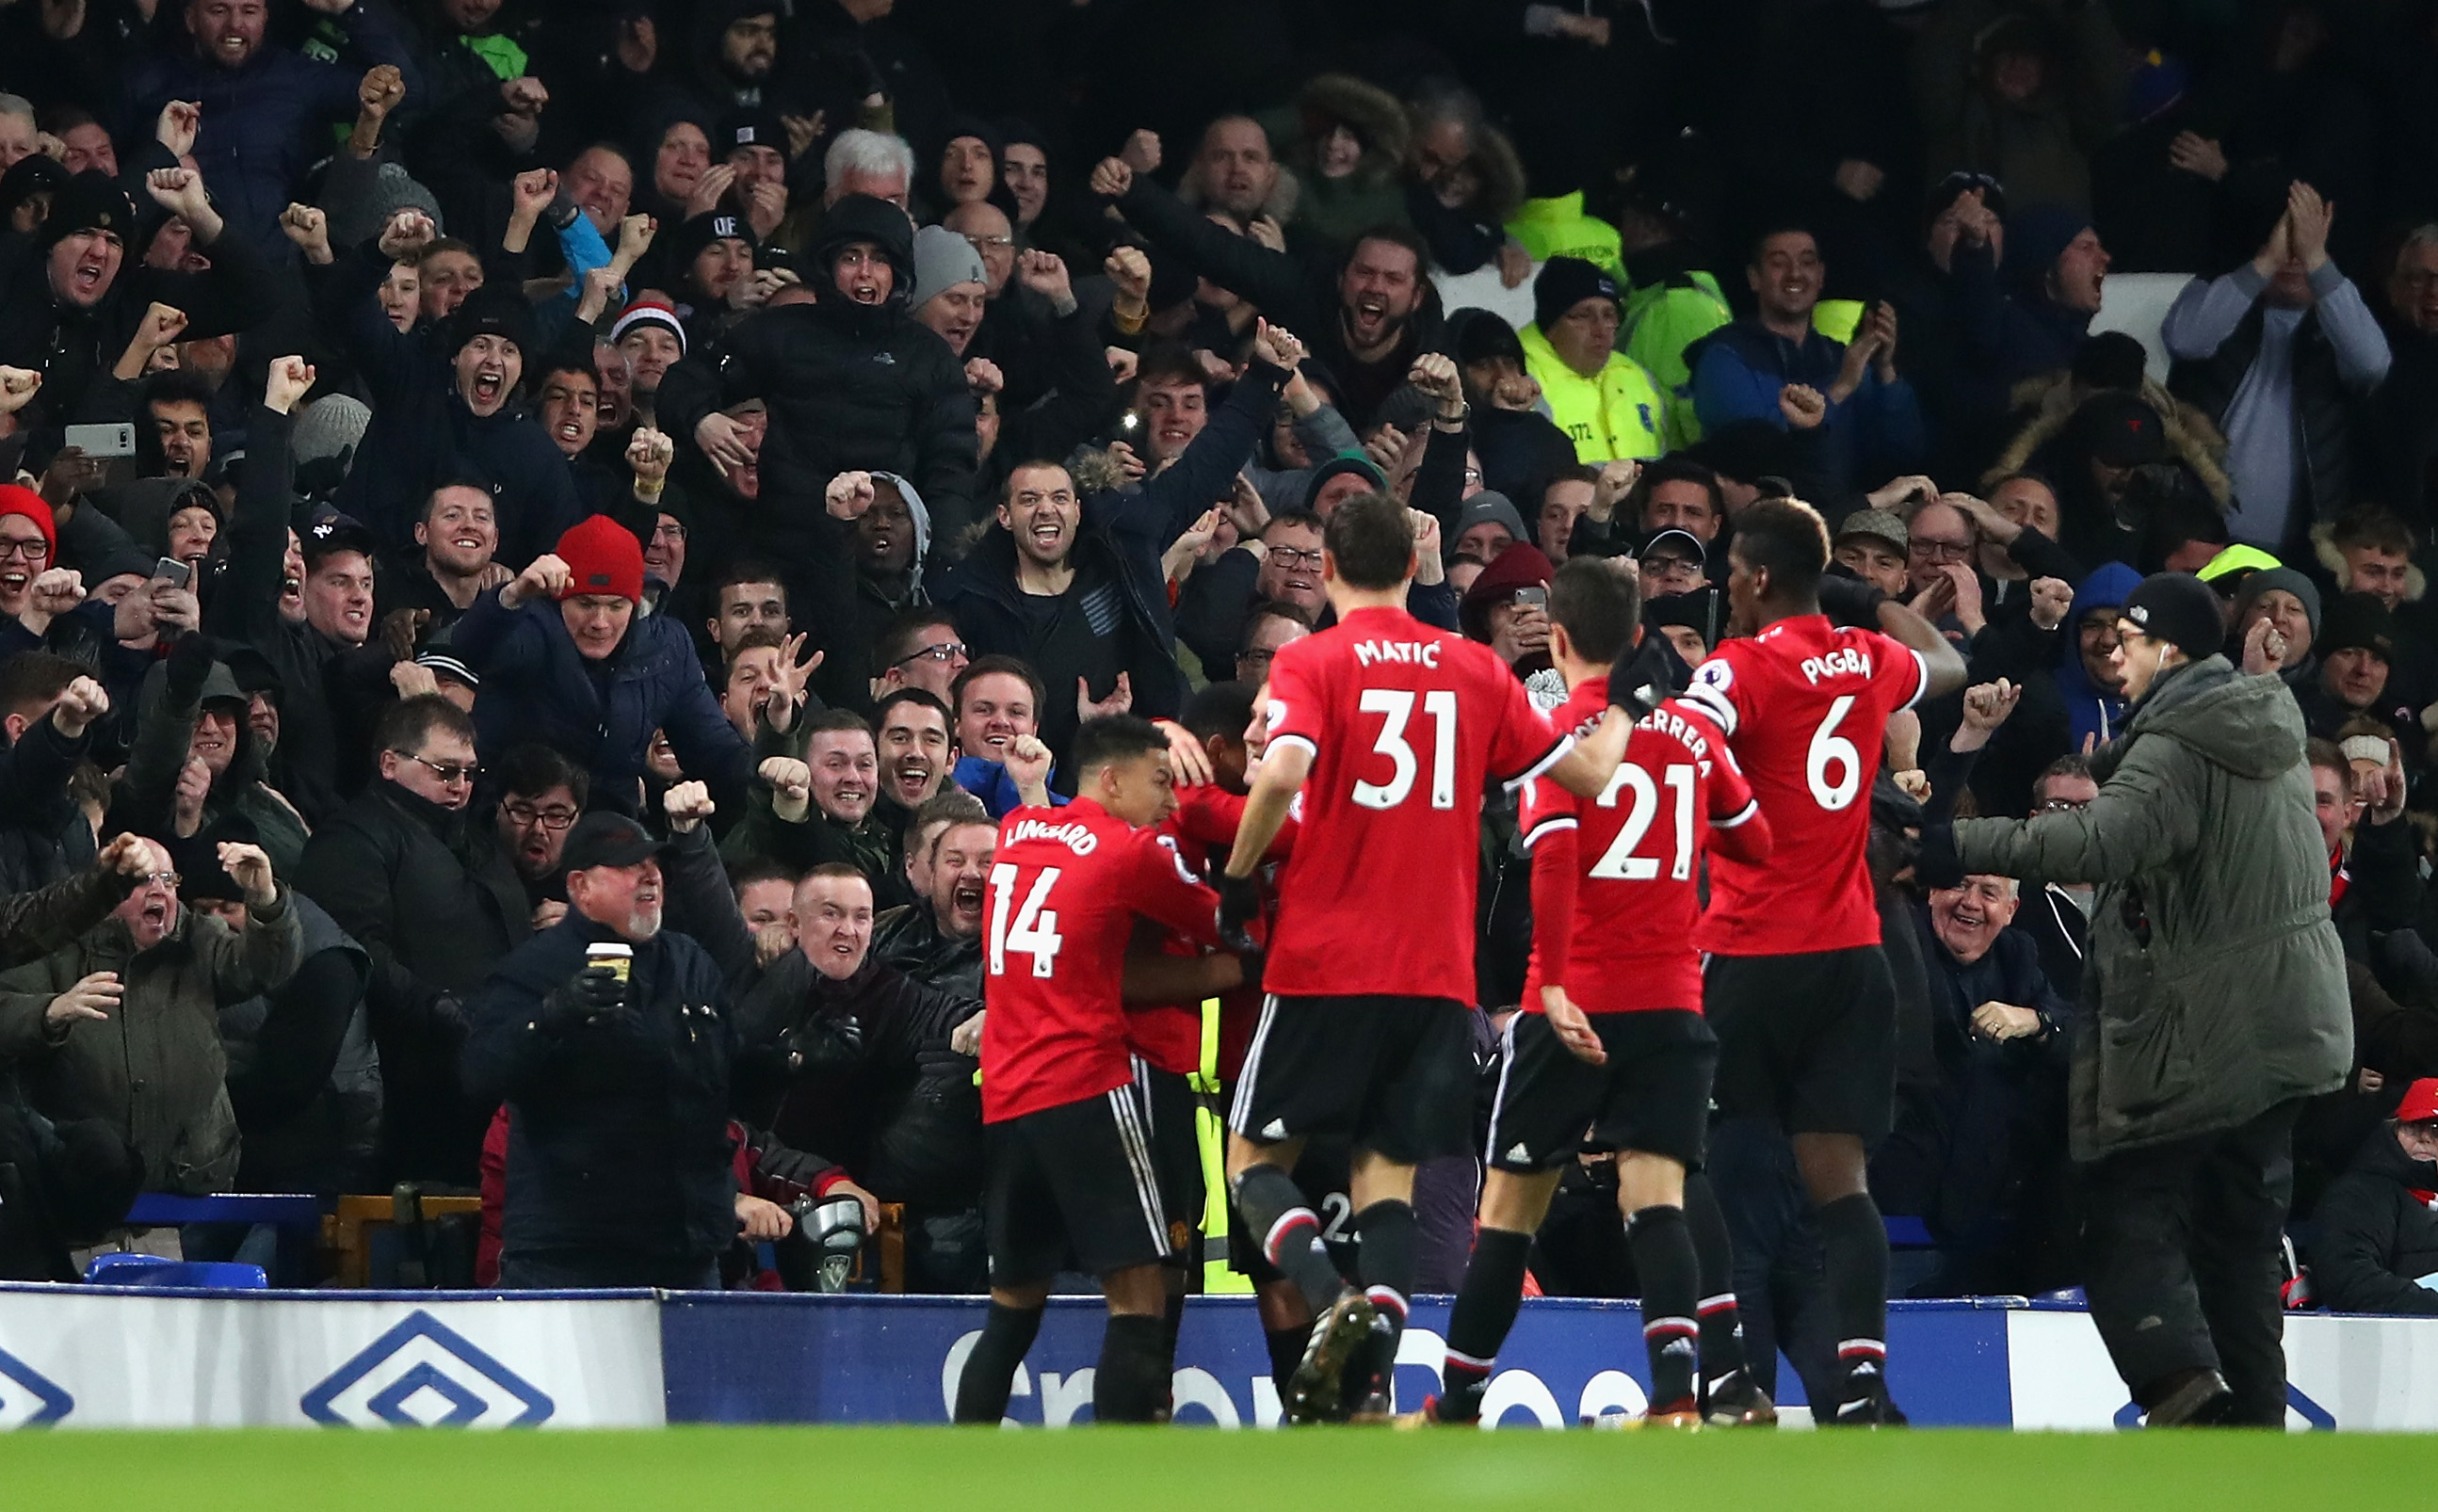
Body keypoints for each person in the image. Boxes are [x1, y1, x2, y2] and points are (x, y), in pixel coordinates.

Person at [1217, 492, 1636, 1423]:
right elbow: (1590, 776)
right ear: (1413, 569)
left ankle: (1335, 1300)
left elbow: (1281, 771)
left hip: (1329, 959)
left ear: (1327, 571)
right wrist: (1613, 693)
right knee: (1386, 1178)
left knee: (1252, 1160)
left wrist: (1239, 878)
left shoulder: (1312, 658)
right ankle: (1368, 1393)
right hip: (1439, 976)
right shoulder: (1474, 669)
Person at [1922, 571, 2349, 1426]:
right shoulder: (2251, 726)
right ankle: (2253, 1436)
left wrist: (1948, 842)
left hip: (2213, 1028)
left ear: (2171, 650)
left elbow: (2101, 837)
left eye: (2130, 641)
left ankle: (2182, 1395)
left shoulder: (2182, 742)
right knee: (2236, 1243)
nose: (2115, 658)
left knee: (2120, 1209)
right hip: (2292, 1031)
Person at [1415, 558, 1777, 1428]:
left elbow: (1552, 851)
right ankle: (1678, 1400)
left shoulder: (1558, 735)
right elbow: (1756, 842)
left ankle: (1458, 1402)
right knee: (1655, 1201)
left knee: (1508, 1210)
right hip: (1671, 999)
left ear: (1561, 638)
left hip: (1569, 1002)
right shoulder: (1695, 735)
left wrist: (1557, 982)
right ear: (1642, 640)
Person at [1675, 498, 1968, 1424]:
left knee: (1685, 1159)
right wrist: (1872, 605)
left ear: (1760, 578)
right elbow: (1952, 662)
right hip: (1854, 958)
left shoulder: (1744, 664)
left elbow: (1684, 736)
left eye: (1732, 570)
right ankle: (1863, 1387)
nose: (1725, 584)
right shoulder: (1870, 658)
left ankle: (1725, 1374)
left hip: (1755, 951)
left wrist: (1726, 816)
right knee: (1842, 1182)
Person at [950, 722, 1250, 1425]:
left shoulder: (1019, 831)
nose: (1168, 802)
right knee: (1140, 1297)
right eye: (1158, 781)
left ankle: (957, 1481)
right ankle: (1124, 1485)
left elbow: (1049, 835)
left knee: (1012, 1312)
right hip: (1085, 1086)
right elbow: (1222, 925)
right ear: (1111, 780)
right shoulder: (1130, 851)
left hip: (1007, 1101)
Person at [460, 811, 747, 1289]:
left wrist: (790, 1060)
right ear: (579, 887)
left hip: (688, 1248)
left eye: (655, 863)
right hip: (573, 1254)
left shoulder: (691, 963)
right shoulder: (535, 969)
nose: (651, 874)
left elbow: (726, 1082)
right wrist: (552, 1016)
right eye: (629, 865)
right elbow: (479, 1072)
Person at [296, 695, 530, 1184]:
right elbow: (356, 949)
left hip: (490, 1075)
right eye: (446, 771)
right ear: (390, 763)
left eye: (469, 773)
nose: (461, 786)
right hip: (405, 1090)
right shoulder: (353, 837)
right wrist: (438, 1007)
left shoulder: (475, 841)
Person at [4, 836, 299, 1195]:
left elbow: (269, 968)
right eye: (144, 880)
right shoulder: (60, 946)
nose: (159, 890)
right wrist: (48, 1012)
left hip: (191, 1188)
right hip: (83, 1194)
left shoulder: (200, 939)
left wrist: (265, 899)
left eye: (168, 879)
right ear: (107, 891)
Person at [2162, 181, 2391, 553]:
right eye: (2287, 242)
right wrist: (2267, 261)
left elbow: (2372, 365)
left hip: (2303, 546)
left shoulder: (2340, 323)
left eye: (2306, 246)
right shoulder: (2221, 294)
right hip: (2198, 533)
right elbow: (2186, 339)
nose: (2294, 258)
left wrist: (2316, 258)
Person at [1518, 257, 1669, 462]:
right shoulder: (1521, 379)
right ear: (1550, 327)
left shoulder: (1639, 377)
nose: (1600, 330)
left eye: (1609, 316)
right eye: (1582, 316)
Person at [2308, 1077, 2438, 1314]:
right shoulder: (2358, 1194)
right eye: (2413, 1127)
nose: (2425, 1138)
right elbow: (2348, 1280)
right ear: (2394, 1129)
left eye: (2437, 1130)